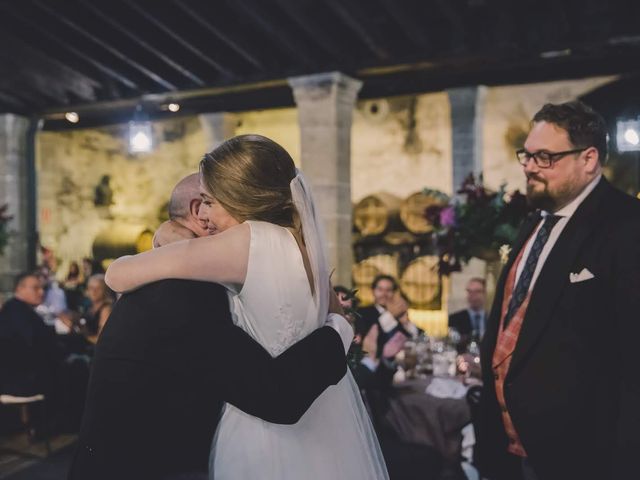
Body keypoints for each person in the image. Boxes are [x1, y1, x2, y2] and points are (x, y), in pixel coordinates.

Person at [105, 135, 389, 479]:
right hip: (321, 416)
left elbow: (118, 275)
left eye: (209, 200)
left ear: (237, 196)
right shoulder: (301, 243)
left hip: (261, 429)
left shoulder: (249, 240)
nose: (203, 213)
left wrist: (171, 240)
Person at [477, 101, 640, 480]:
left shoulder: (626, 227)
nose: (530, 167)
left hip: (582, 455)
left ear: (588, 159)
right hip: (510, 450)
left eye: (545, 157)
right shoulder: (535, 221)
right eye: (528, 155)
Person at [0, 273, 58, 397]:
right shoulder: (17, 312)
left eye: (42, 288)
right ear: (20, 289)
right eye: (35, 288)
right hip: (21, 380)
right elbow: (35, 345)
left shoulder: (18, 309)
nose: (41, 292)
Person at [448, 278, 487, 351]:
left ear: (484, 293)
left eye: (477, 292)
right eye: (469, 291)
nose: (472, 296)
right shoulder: (454, 319)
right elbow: (453, 343)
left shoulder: (493, 319)